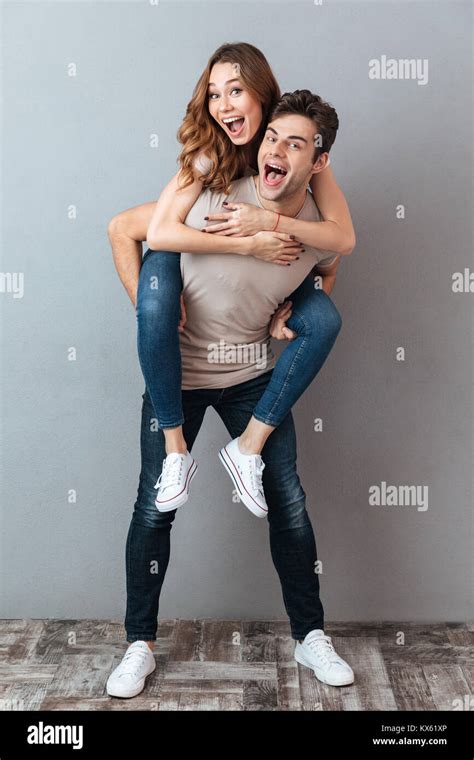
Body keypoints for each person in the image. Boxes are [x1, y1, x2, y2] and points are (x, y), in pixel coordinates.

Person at [106, 90, 355, 699]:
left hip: (250, 378)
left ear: (316, 164)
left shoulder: (314, 234)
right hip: (180, 379)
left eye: (295, 145)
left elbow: (333, 255)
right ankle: (139, 645)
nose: (275, 150)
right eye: (272, 137)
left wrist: (296, 305)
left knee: (289, 503)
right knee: (153, 509)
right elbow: (127, 228)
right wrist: (151, 313)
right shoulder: (219, 190)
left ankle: (310, 635)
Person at [109, 42, 355, 514]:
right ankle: (176, 450)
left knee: (323, 318)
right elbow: (147, 229)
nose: (222, 106)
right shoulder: (209, 155)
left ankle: (247, 449)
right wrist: (154, 319)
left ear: (262, 96)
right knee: (156, 303)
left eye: (236, 91)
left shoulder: (300, 146)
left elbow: (337, 241)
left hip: (269, 265)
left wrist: (270, 230)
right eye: (214, 94)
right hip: (187, 247)